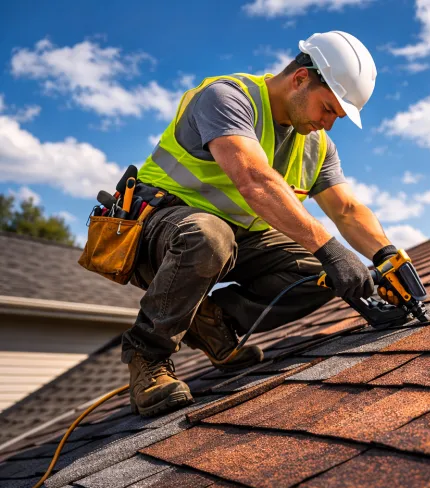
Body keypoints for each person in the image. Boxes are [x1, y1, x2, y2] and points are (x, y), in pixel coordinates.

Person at [123, 31, 399, 416]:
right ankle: (147, 357)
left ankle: (213, 322)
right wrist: (331, 247)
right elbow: (253, 179)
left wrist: (386, 257)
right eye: (329, 108)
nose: (329, 123)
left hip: (233, 241)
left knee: (326, 273)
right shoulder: (227, 98)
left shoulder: (316, 145)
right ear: (300, 78)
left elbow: (347, 210)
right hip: (159, 231)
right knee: (210, 235)